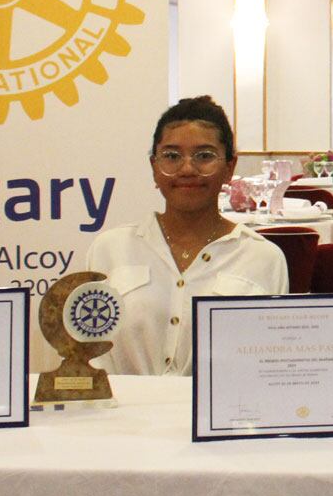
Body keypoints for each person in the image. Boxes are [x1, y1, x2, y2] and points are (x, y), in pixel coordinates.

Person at [61, 96, 287, 376]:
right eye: (171, 156)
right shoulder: (111, 249)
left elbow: (267, 364)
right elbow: (90, 355)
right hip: (124, 416)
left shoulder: (263, 258)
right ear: (154, 168)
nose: (187, 169)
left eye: (204, 156)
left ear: (229, 167)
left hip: (217, 417)